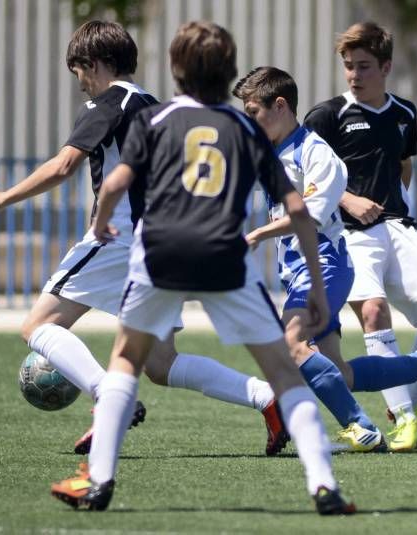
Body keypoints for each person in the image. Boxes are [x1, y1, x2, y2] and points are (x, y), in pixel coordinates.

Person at [49, 21, 355, 515]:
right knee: (281, 369)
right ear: (229, 72)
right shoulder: (246, 130)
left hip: (160, 251)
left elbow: (112, 185)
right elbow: (298, 210)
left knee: (126, 360)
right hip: (223, 256)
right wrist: (318, 287)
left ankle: (99, 482)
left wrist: (103, 222)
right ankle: (323, 484)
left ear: (175, 71)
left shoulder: (157, 118)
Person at [0, 20, 287, 458]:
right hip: (161, 245)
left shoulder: (108, 102)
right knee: (161, 363)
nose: (78, 82)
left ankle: (106, 395)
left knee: (38, 325)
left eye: (78, 69)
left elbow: (64, 165)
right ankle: (268, 399)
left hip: (117, 240)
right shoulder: (154, 105)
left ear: (95, 64)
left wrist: (3, 197)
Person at [233, 66, 417, 453]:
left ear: (279, 105)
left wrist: (257, 235)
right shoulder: (269, 152)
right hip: (300, 272)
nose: (248, 122)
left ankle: (359, 426)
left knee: (292, 345)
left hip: (326, 266)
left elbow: (310, 216)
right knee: (339, 373)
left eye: (252, 112)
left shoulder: (316, 152)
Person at [304, 21, 417, 450]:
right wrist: (349, 200)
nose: (354, 74)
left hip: (395, 224)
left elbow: (403, 166)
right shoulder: (326, 115)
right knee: (374, 313)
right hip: (348, 233)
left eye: (364, 66)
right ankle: (406, 419)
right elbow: (304, 178)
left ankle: (407, 404)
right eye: (348, 66)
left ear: (387, 66)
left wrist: (395, 205)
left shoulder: (404, 113)